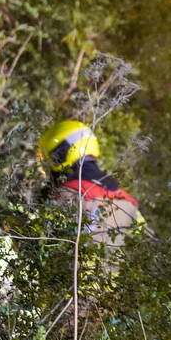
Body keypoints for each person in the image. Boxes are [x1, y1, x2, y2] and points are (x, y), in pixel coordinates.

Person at [36, 120, 149, 320]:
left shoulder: (66, 194)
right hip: (114, 310)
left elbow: (39, 246)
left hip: (69, 305)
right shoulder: (126, 199)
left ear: (62, 153)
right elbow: (149, 250)